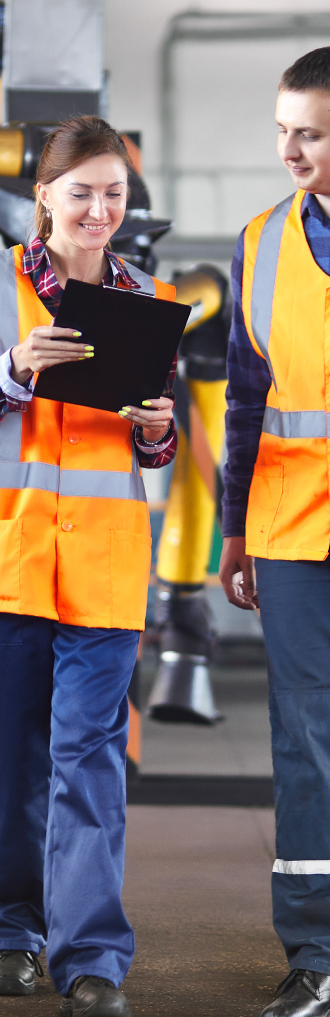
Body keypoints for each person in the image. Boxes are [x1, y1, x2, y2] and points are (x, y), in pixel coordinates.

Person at [0, 114, 178, 1017]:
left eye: (115, 193)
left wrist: (160, 431)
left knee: (87, 761)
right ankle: (12, 928)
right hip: (2, 562)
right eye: (83, 190)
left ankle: (91, 957)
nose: (100, 209)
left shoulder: (148, 300)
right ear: (44, 195)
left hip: (100, 570)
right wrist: (12, 370)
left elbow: (150, 449)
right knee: (5, 765)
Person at [219, 46, 330, 1017]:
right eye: (282, 132)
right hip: (291, 533)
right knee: (302, 741)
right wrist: (231, 534)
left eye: (310, 133)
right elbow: (246, 407)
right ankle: (314, 953)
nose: (289, 150)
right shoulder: (259, 241)